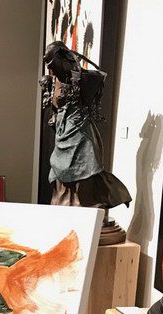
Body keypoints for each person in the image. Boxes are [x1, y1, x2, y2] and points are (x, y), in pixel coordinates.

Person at [40, 41, 131, 210]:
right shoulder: (52, 83)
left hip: (80, 133)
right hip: (63, 132)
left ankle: (86, 205)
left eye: (52, 63)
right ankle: (66, 204)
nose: (50, 69)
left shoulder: (85, 79)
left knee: (84, 171)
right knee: (61, 170)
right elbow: (55, 109)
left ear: (62, 59)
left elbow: (95, 82)